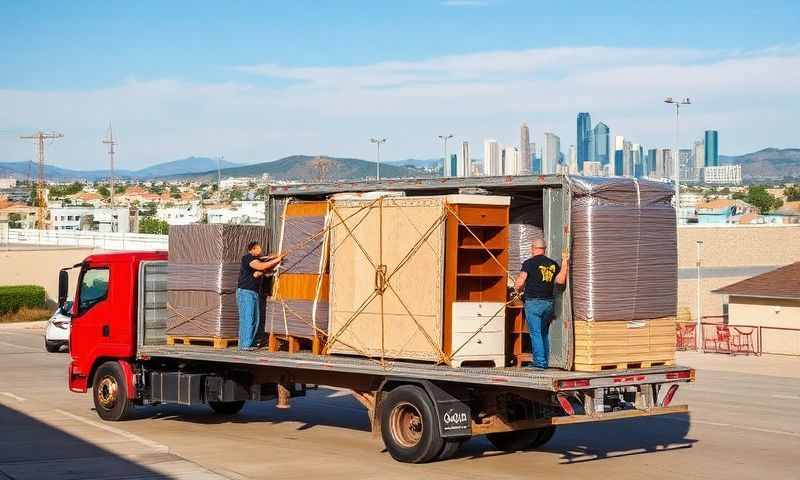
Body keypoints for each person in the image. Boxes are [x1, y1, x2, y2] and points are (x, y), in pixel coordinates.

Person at [513, 238, 569, 369]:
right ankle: (545, 361)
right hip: (548, 304)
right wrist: (565, 263)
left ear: (533, 248)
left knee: (536, 333)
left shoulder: (529, 263)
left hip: (533, 303)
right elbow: (560, 281)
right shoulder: (553, 264)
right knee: (543, 333)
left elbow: (520, 282)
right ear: (545, 249)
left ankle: (539, 362)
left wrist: (517, 288)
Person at [237, 241, 283, 351]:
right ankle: (245, 345)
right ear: (252, 249)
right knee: (249, 318)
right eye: (258, 248)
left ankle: (249, 343)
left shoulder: (257, 259)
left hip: (254, 293)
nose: (260, 250)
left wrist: (272, 264)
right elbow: (261, 266)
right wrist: (277, 260)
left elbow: (259, 271)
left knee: (255, 319)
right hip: (246, 293)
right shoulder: (247, 258)